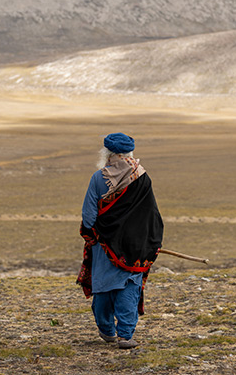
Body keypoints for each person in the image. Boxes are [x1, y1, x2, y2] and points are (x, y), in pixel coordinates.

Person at [76, 133, 164, 349]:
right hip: (135, 247)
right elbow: (151, 215)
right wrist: (150, 242)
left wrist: (91, 235)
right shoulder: (143, 177)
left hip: (104, 246)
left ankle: (107, 331)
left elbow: (88, 215)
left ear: (107, 154)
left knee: (104, 288)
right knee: (129, 287)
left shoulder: (99, 178)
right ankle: (125, 335)